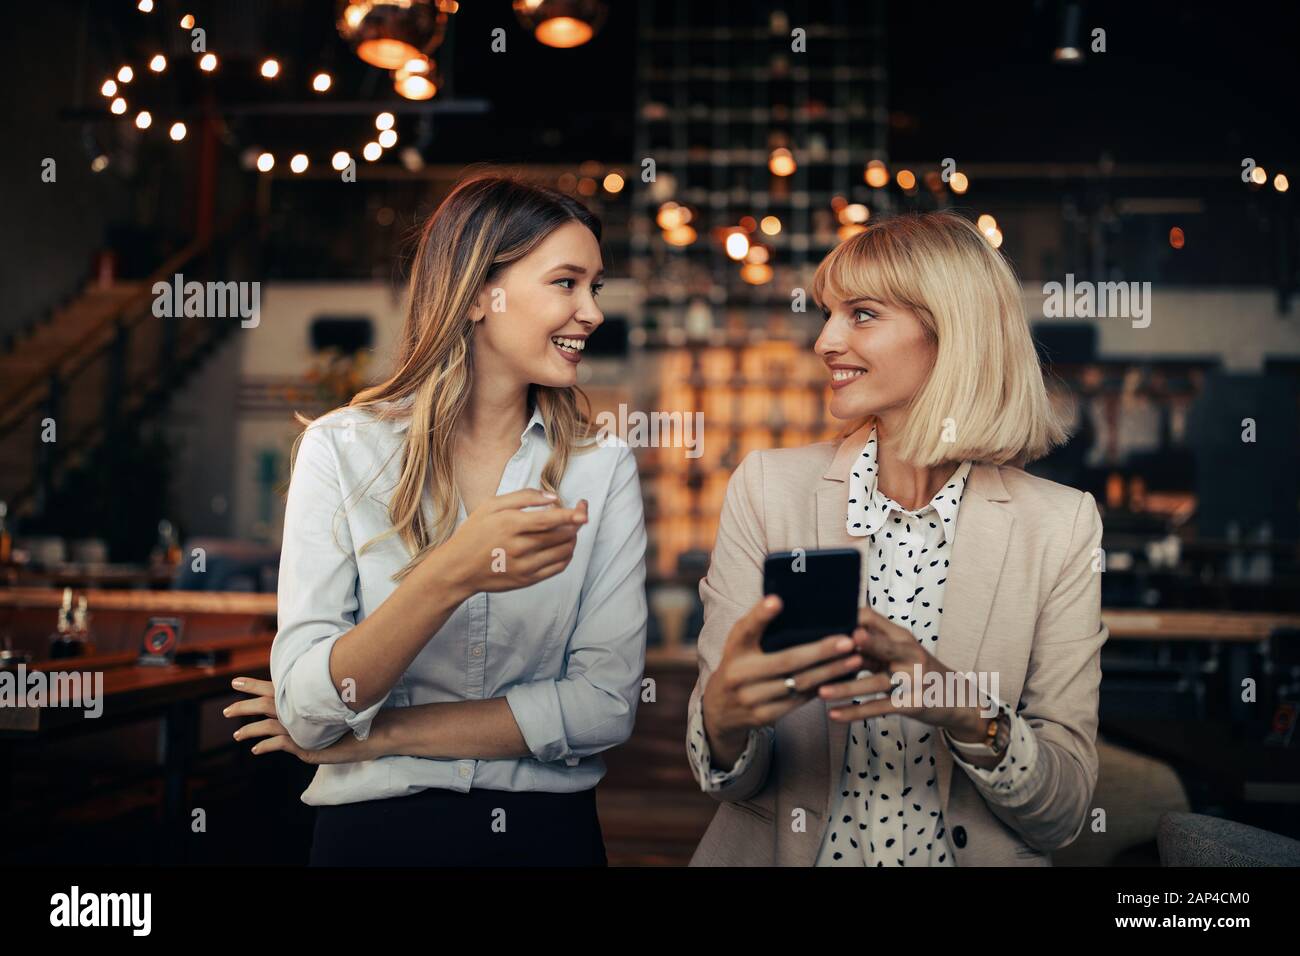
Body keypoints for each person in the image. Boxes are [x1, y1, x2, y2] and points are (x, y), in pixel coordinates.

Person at [225, 173, 648, 866]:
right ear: (482, 291)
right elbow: (306, 707)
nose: (593, 311)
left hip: (545, 838)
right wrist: (449, 575)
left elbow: (604, 707)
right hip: (373, 839)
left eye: (593, 287)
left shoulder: (601, 468)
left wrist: (379, 735)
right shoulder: (341, 449)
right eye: (566, 283)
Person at [686, 211, 1107, 866]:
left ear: (950, 333)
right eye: (828, 313)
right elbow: (728, 775)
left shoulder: (1060, 526)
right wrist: (721, 719)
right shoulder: (768, 490)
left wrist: (958, 705)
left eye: (861, 314)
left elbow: (1064, 814)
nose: (825, 340)